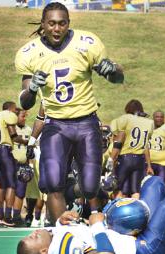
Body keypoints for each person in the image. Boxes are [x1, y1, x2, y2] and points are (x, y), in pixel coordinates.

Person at [15, 2, 124, 224]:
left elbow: (118, 78)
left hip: (87, 123)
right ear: (43, 24)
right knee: (53, 183)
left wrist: (113, 70)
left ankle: (89, 221)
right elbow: (26, 102)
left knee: (91, 186)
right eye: (52, 23)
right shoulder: (30, 52)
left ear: (68, 24)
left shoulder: (87, 42)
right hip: (56, 124)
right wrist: (33, 88)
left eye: (62, 23)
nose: (57, 28)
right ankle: (61, 234)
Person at [17, 175, 165, 254]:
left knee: (155, 183)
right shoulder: (61, 252)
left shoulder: (54, 238)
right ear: (44, 252)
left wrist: (62, 221)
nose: (33, 233)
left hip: (131, 235)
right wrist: (97, 226)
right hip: (146, 249)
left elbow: (61, 232)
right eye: (32, 238)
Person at [108, 99, 154, 199]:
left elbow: (118, 142)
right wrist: (149, 165)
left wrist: (111, 158)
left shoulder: (125, 119)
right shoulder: (149, 122)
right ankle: (136, 213)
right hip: (140, 160)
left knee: (117, 189)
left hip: (125, 158)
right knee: (135, 191)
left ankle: (118, 213)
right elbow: (146, 146)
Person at [0, 101, 28, 227]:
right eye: (14, 110)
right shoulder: (8, 114)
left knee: (2, 185)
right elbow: (14, 136)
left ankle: (1, 216)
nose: (15, 112)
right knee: (11, 185)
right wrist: (26, 142)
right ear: (10, 109)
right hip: (5, 150)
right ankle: (8, 217)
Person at [12, 108, 31, 226]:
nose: (24, 119)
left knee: (20, 192)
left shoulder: (28, 129)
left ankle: (16, 216)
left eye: (25, 117)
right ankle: (4, 216)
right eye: (22, 116)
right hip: (10, 164)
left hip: (23, 165)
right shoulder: (10, 129)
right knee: (7, 191)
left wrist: (29, 163)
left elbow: (30, 149)